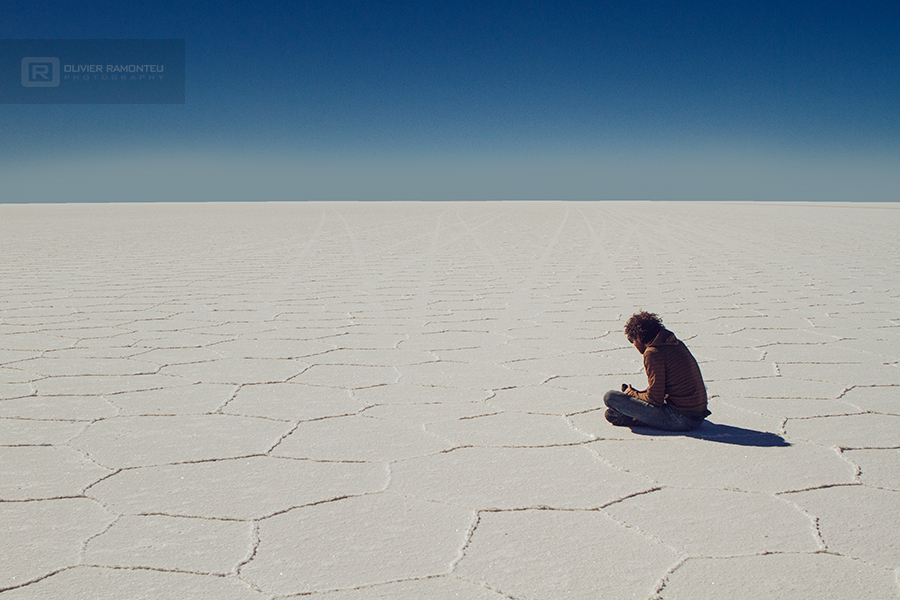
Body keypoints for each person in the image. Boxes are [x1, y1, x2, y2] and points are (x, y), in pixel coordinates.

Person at [604, 311, 710, 430]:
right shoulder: (675, 343)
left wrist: (632, 394)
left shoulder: (653, 353)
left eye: (632, 340)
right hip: (697, 417)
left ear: (638, 338)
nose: (634, 344)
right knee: (614, 411)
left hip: (681, 419)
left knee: (610, 398)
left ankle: (638, 419)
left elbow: (655, 399)